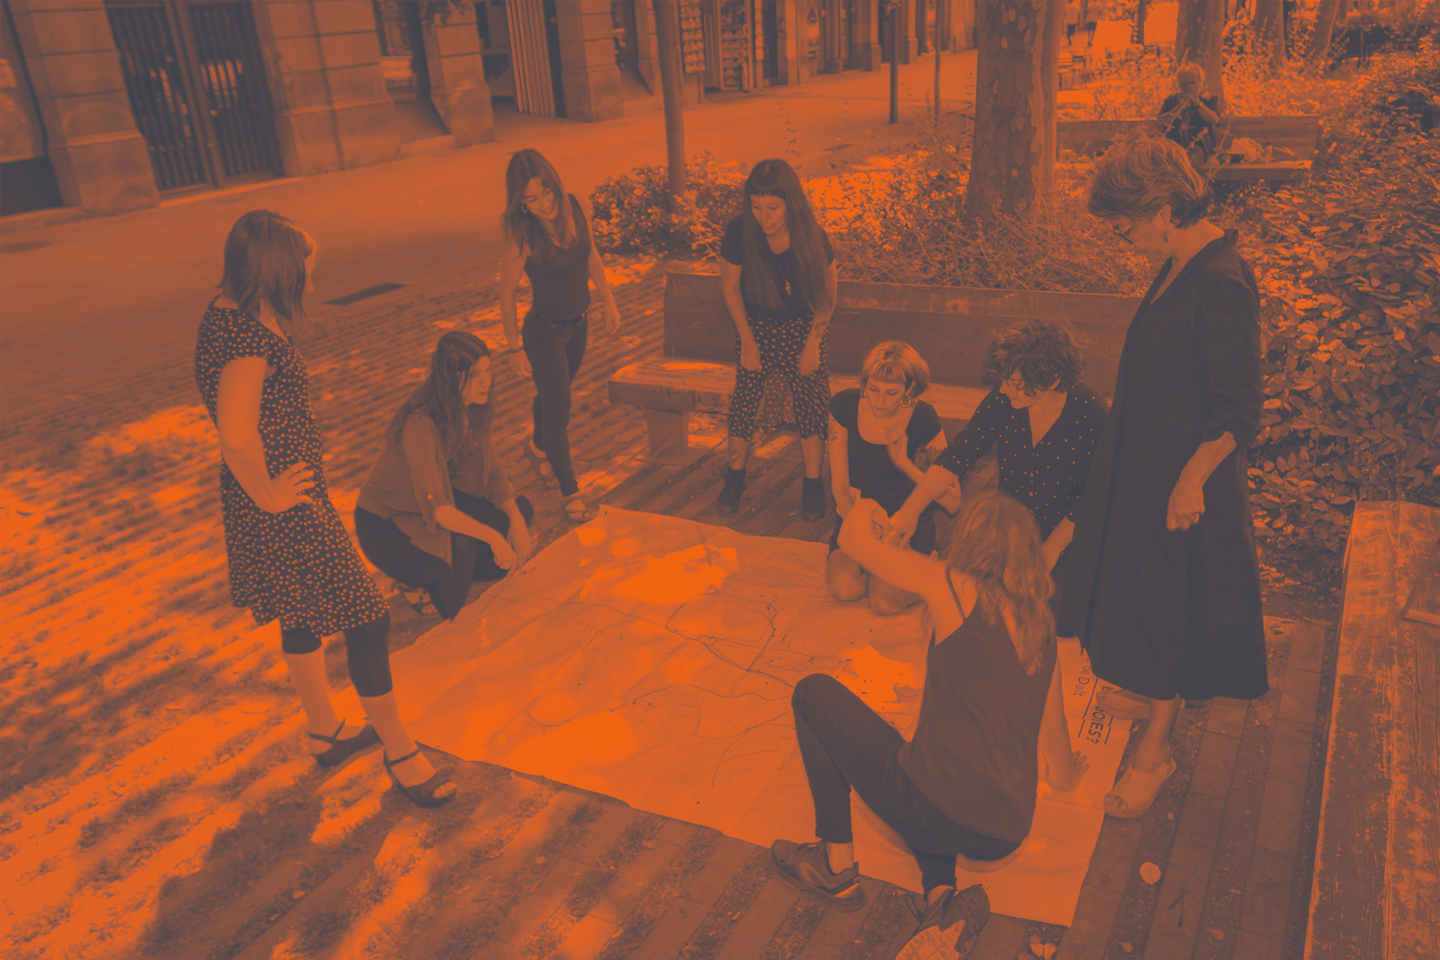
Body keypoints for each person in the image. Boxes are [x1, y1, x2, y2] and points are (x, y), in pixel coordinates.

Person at [195, 210, 455, 808]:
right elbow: (235, 434)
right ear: (274, 272)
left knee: (300, 610)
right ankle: (401, 752)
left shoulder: (227, 312)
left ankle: (324, 731)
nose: (311, 282)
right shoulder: (249, 341)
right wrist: (272, 495)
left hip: (267, 494)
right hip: (284, 503)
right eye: (305, 271)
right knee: (368, 618)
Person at [770, 491, 1089, 958]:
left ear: (971, 541)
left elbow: (852, 539)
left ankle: (835, 867)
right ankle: (942, 900)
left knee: (813, 693)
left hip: (936, 806)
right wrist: (1066, 777)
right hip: (1004, 832)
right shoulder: (1040, 629)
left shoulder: (952, 586)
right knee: (924, 768)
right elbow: (1055, 732)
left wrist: (866, 508)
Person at [1058, 137, 1267, 818]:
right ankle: (1150, 688)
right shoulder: (1178, 261)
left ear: (1163, 210)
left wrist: (1191, 480)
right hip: (1144, 464)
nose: (1125, 240)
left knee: (1171, 607)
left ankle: (1156, 749)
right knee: (1143, 595)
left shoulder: (1222, 280)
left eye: (1125, 226)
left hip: (1184, 479)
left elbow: (1239, 408)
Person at [886, 321, 1107, 588]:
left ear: (1051, 379)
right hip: (1010, 529)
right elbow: (958, 455)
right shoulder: (1004, 398)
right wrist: (910, 510)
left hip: (1067, 535)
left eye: (1014, 383)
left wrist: (1049, 551)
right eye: (1002, 381)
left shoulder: (1091, 412)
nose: (1003, 389)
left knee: (1050, 608)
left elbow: (1093, 494)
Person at [355, 331, 534, 624]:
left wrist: (515, 520)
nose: (486, 381)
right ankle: (425, 588)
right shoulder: (419, 423)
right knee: (461, 546)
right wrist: (491, 538)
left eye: (488, 371)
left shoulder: (475, 410)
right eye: (475, 375)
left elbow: (493, 477)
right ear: (451, 379)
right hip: (386, 523)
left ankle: (452, 569)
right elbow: (436, 508)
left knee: (517, 516)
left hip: (439, 500)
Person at [499, 148, 622, 523]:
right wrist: (513, 349)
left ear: (555, 184)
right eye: (531, 199)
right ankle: (571, 492)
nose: (543, 204)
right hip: (544, 335)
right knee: (559, 411)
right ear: (520, 203)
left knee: (554, 394)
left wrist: (608, 301)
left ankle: (537, 448)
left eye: (546, 192)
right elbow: (506, 294)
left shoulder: (575, 205)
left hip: (578, 325)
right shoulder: (521, 233)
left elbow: (591, 255)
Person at [714, 158, 839, 522]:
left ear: (791, 203)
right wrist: (747, 340)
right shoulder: (739, 232)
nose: (763, 217)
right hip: (755, 325)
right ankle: (735, 477)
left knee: (812, 403)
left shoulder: (812, 236)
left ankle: (813, 484)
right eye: (756, 207)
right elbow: (730, 288)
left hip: (803, 327)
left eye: (772, 208)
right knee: (744, 399)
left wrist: (813, 344)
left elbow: (827, 296)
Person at [826, 341, 949, 615]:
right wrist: (861, 537)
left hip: (904, 523)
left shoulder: (924, 417)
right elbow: (839, 484)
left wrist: (904, 464)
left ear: (910, 389)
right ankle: (885, 572)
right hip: (858, 515)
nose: (879, 401)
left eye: (891, 393)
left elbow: (954, 499)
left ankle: (928, 569)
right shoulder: (843, 405)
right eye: (873, 390)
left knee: (884, 603)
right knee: (843, 589)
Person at [1158, 64, 1226, 170]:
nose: (1189, 87)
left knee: (1188, 160)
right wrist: (1179, 108)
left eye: (1192, 83)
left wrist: (1197, 104)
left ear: (1200, 82)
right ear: (1179, 85)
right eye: (1185, 84)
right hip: (1174, 147)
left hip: (1198, 147)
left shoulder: (1208, 99)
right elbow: (1159, 122)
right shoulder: (1172, 100)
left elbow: (1215, 120)